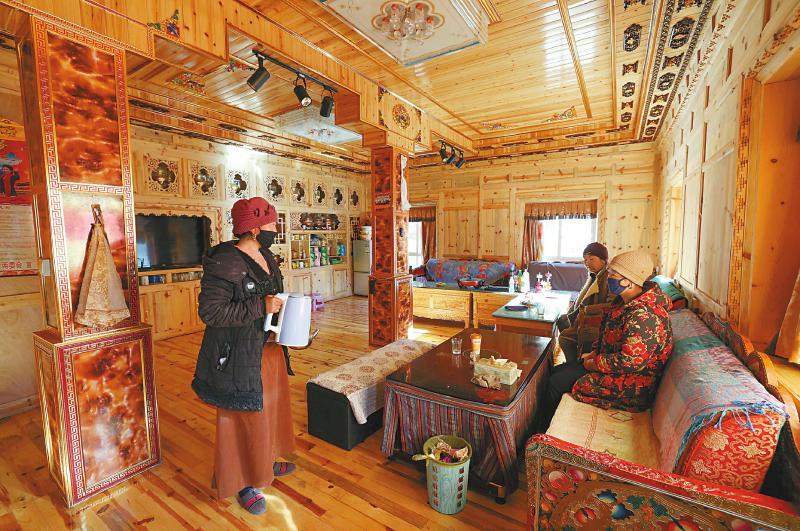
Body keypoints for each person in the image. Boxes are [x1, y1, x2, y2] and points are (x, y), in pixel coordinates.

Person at [192, 196, 296, 515]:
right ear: (254, 228)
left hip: (267, 350)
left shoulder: (266, 255)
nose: (275, 229)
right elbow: (211, 313)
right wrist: (260, 306)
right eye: (271, 224)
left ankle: (263, 461)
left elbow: (271, 297)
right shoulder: (226, 262)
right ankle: (242, 481)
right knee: (242, 419)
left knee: (268, 410)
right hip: (237, 357)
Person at [542, 250, 673, 426]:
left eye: (613, 274)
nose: (608, 277)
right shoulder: (623, 302)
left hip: (632, 385)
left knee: (555, 382)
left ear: (629, 281)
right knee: (556, 371)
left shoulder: (644, 316)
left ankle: (542, 429)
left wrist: (594, 363)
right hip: (614, 369)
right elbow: (608, 333)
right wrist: (594, 353)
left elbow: (630, 361)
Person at [556, 242, 614, 363]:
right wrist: (573, 311)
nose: (587, 263)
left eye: (591, 259)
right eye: (585, 260)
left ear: (603, 260)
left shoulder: (609, 277)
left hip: (595, 320)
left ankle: (573, 365)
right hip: (583, 317)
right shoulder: (594, 275)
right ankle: (573, 361)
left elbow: (612, 305)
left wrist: (587, 310)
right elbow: (581, 298)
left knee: (565, 338)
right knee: (562, 320)